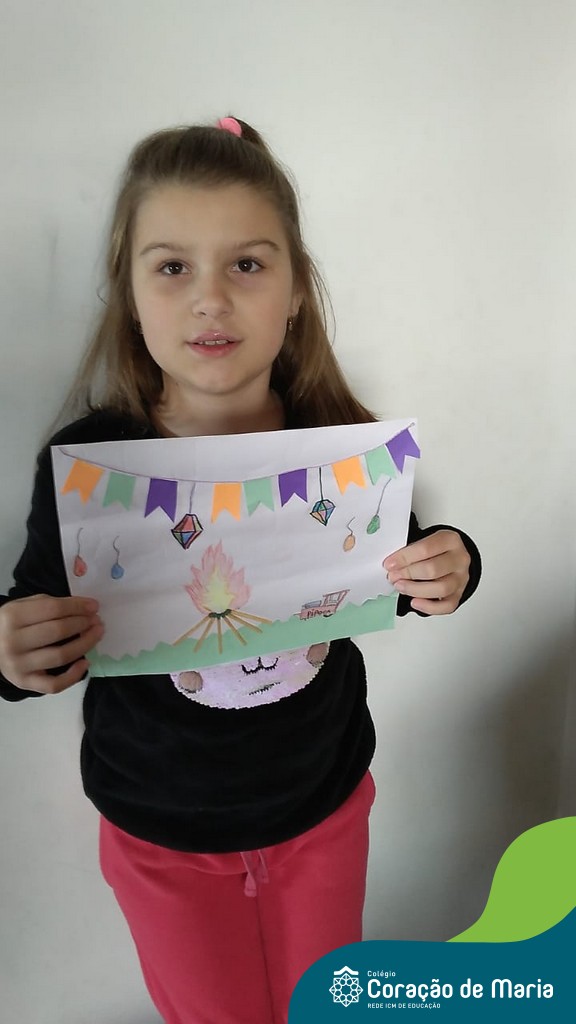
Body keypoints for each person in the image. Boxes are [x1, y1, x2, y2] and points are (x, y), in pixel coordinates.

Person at [0, 117, 481, 1024]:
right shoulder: (91, 464)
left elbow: (404, 573)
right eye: (172, 267)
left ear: (296, 292)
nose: (210, 299)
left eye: (248, 264)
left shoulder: (340, 447)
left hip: (324, 808)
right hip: (162, 837)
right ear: (129, 294)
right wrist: (11, 651)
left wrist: (452, 565)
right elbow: (37, 616)